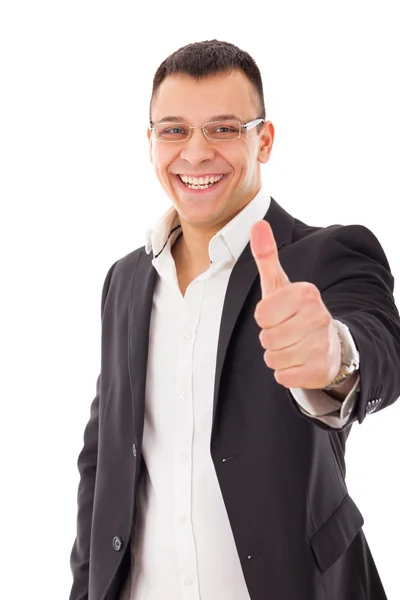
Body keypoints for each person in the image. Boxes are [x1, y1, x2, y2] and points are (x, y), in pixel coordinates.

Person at [69, 40, 400, 600]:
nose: (195, 154)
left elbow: (380, 347)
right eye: (174, 130)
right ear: (150, 142)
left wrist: (336, 357)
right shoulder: (124, 280)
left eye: (223, 129)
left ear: (263, 140)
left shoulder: (325, 255)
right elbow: (103, 457)